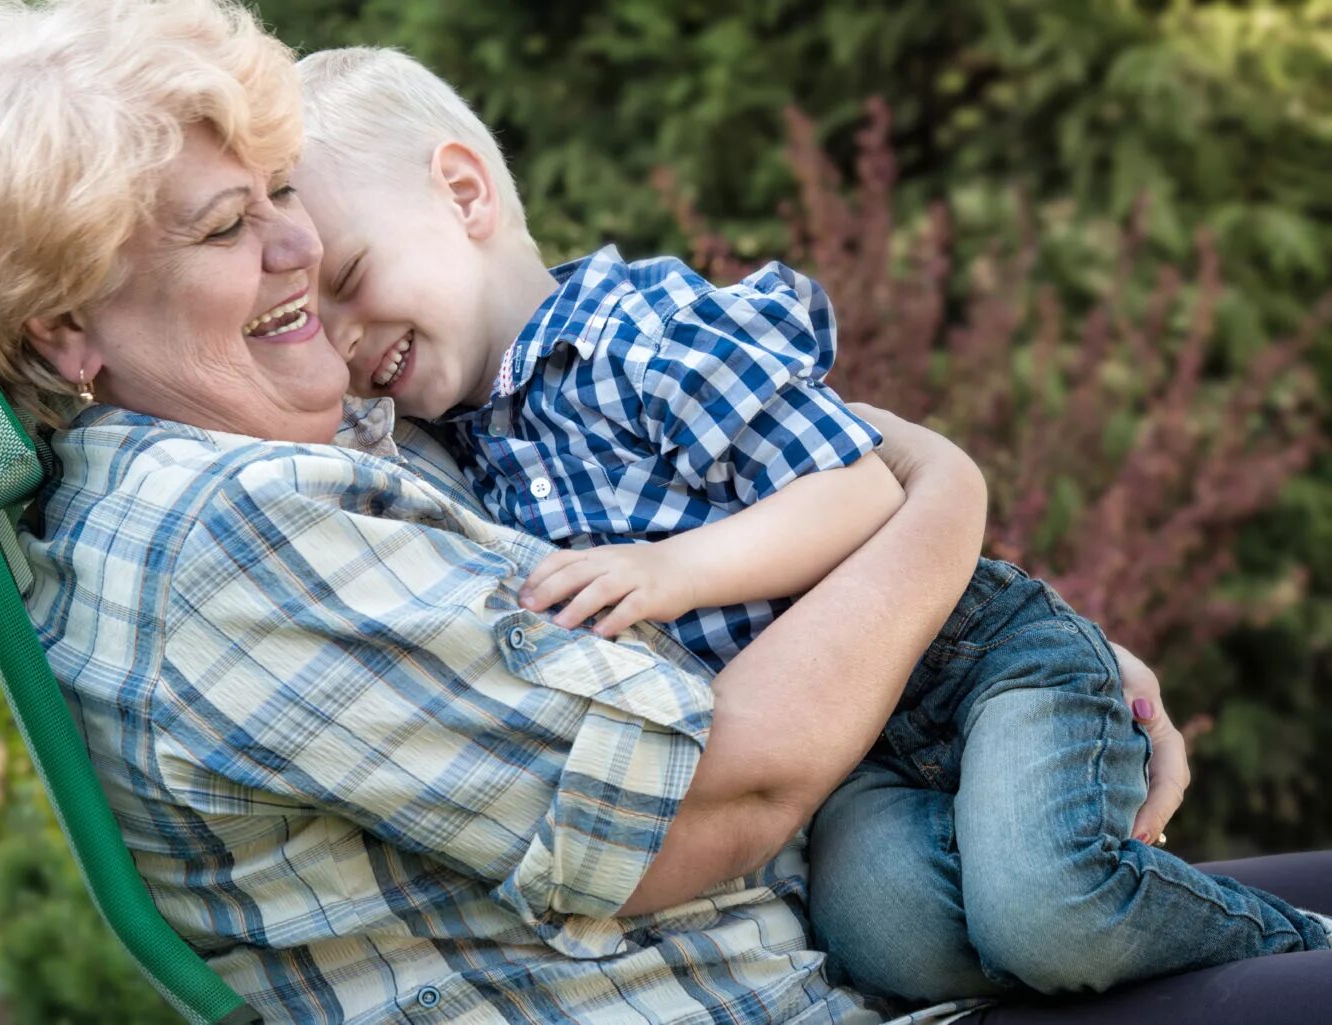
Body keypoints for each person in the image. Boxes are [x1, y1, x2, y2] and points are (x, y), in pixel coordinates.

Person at [0, 2, 1332, 1023]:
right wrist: (945, 493)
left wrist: (1005, 652)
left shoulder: (353, 441)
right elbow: (727, 793)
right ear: (66, 334)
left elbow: (778, 478)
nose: (300, 243)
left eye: (274, 195)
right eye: (221, 227)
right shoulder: (236, 534)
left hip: (863, 917)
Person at [291, 45, 1332, 1003]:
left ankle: (1300, 948)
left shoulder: (641, 334)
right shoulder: (467, 448)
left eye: (350, 281)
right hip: (855, 749)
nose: (343, 341)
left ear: (465, 191)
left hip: (975, 663)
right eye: (311, 320)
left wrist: (676, 570)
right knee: (901, 944)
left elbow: (861, 490)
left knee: (1047, 909)